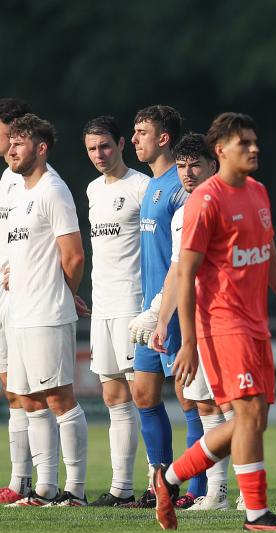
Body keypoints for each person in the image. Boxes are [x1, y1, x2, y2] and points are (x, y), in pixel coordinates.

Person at [154, 112, 276, 531]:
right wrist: (189, 342)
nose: (253, 148)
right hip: (222, 324)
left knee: (253, 420)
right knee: (246, 415)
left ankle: (169, 478)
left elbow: (271, 260)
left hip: (256, 324)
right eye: (243, 142)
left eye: (254, 140)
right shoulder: (205, 201)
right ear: (221, 150)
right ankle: (257, 514)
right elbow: (185, 275)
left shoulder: (260, 193)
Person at [4, 114, 90, 506]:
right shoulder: (18, 192)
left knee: (59, 398)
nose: (10, 149)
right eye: (10, 142)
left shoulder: (54, 190)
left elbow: (73, 256)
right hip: (19, 313)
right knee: (29, 400)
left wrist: (61, 293)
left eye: (19, 143)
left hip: (46, 313)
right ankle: (44, 488)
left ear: (40, 148)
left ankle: (75, 490)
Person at [148, 132, 232, 511]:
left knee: (234, 408)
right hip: (194, 321)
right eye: (181, 166)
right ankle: (215, 493)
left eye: (194, 164)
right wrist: (162, 320)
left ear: (213, 165)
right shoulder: (182, 213)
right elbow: (177, 270)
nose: (187, 173)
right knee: (206, 407)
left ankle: (246, 490)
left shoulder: (228, 203)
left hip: (226, 319)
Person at [82, 116, 148, 506]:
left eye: (105, 146)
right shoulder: (92, 190)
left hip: (132, 303)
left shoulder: (142, 187)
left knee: (144, 395)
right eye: (91, 148)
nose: (99, 155)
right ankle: (121, 488)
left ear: (121, 143)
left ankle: (161, 483)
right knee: (112, 396)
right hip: (102, 304)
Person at [126, 105, 188, 507]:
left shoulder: (180, 187)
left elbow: (184, 260)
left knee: (192, 400)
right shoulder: (150, 187)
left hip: (178, 311)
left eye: (141, 132)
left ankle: (202, 490)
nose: (134, 139)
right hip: (151, 312)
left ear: (163, 138)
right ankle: (160, 483)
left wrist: (165, 306)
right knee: (144, 396)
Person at [0, 98, 36, 504]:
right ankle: (19, 479)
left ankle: (43, 480)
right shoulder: (7, 178)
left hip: (25, 297)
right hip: (4, 296)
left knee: (33, 392)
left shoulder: (36, 181)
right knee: (11, 390)